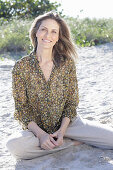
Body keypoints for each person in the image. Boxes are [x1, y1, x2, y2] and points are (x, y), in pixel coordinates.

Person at [6, 12, 113, 160]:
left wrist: (62, 131)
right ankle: (70, 144)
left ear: (57, 37)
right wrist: (41, 135)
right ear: (36, 32)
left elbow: (71, 102)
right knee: (14, 146)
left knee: (111, 139)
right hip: (36, 129)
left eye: (53, 31)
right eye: (43, 29)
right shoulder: (21, 67)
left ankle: (63, 138)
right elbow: (22, 109)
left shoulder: (66, 64)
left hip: (68, 125)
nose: (47, 35)